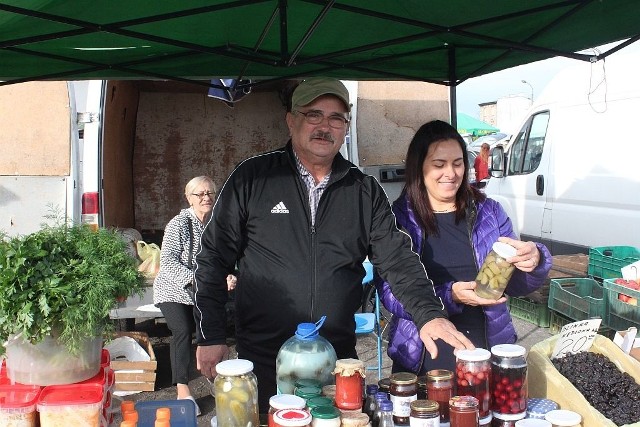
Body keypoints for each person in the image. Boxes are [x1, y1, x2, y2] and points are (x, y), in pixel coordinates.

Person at [192, 78, 474, 412]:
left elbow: (397, 259)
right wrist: (210, 335)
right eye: (314, 115)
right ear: (292, 120)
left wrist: (429, 315)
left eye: (337, 118)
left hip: (337, 361)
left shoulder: (363, 191)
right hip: (267, 358)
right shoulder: (254, 178)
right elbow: (212, 258)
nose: (325, 126)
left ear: (346, 127)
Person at [377, 120, 552, 374]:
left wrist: (534, 261)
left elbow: (513, 285)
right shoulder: (399, 218)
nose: (451, 173)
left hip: (485, 351)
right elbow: (390, 292)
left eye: (457, 163)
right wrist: (450, 295)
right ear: (419, 168)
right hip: (422, 355)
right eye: (439, 165)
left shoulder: (489, 212)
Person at [153, 176, 236, 415]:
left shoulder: (218, 225)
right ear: (189, 198)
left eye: (210, 193)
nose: (206, 198)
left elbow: (227, 259)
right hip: (174, 289)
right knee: (181, 330)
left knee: (209, 332)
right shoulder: (178, 224)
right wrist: (198, 279)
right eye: (199, 194)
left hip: (203, 292)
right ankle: (182, 390)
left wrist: (230, 275)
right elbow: (167, 261)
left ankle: (214, 379)